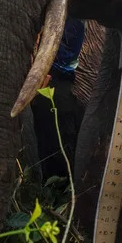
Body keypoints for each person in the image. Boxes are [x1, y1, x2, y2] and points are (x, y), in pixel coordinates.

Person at [30, 18, 86, 178]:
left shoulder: (73, 18)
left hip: (55, 81)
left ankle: (58, 188)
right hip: (52, 79)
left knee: (56, 143)